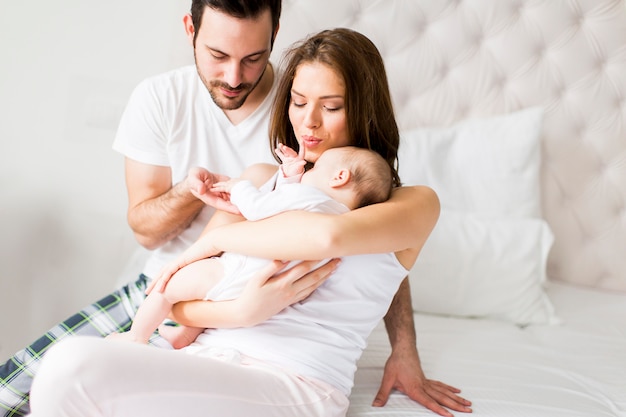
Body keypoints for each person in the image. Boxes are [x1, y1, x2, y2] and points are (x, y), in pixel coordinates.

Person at [0, 1, 471, 416]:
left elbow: (329, 238)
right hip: (208, 354)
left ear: (363, 109)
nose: (307, 122)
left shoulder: (412, 202)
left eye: (330, 106)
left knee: (70, 368)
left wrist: (220, 237)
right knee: (65, 370)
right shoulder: (263, 179)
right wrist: (245, 310)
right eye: (299, 101)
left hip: (296, 381)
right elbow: (186, 303)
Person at [107, 144, 393, 348]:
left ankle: (136, 336)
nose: (309, 170)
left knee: (166, 288)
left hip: (235, 269)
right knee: (197, 294)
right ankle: (185, 335)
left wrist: (239, 186)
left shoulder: (310, 197)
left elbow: (259, 208)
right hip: (265, 286)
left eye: (315, 167)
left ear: (339, 177)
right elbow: (284, 207)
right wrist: (289, 176)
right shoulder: (341, 218)